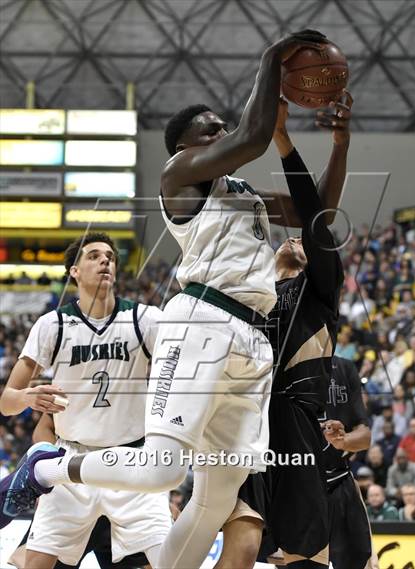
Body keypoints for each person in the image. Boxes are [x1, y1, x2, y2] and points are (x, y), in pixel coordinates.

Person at [1, 30, 328, 569]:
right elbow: (249, 136)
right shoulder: (179, 176)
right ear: (188, 147)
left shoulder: (244, 196)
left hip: (253, 336)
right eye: (211, 130)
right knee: (163, 470)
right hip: (205, 319)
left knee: (219, 495)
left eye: (221, 127)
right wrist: (272, 59)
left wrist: (333, 145)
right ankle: (44, 469)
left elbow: (318, 212)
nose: (223, 134)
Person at [216, 86, 350, 569]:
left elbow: (316, 215)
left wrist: (288, 142)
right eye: (286, 236)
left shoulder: (320, 289)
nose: (294, 237)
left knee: (305, 553)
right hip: (245, 422)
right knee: (241, 544)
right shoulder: (246, 294)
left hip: (294, 423)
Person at [0, 232, 172, 569]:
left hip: (132, 459)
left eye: (109, 256)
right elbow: (6, 402)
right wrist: (25, 396)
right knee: (34, 563)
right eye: (93, 255)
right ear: (74, 271)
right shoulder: (52, 325)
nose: (104, 260)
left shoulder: (146, 319)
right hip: (72, 460)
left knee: (168, 560)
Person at [8, 414, 150, 569]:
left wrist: (161, 492)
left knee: (155, 558)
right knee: (28, 559)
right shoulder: (74, 396)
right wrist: (54, 471)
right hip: (75, 484)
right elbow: (42, 429)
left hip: (123, 485)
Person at [322, 356, 373, 569]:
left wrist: (343, 441)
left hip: (338, 479)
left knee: (361, 559)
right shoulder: (280, 362)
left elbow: (365, 436)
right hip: (293, 483)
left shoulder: (343, 368)